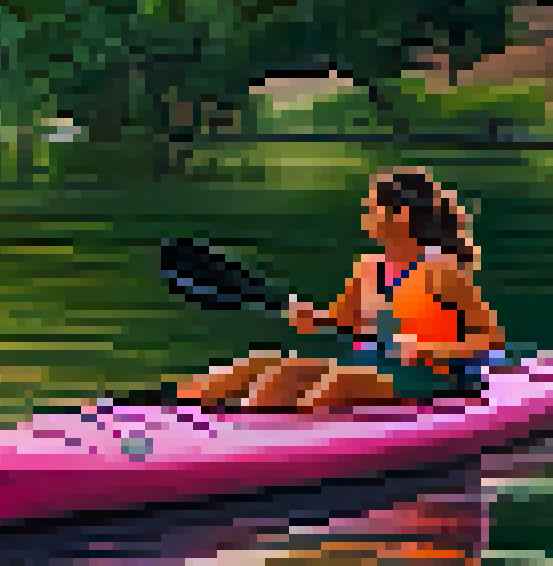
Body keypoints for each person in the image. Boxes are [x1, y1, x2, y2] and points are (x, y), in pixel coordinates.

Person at [176, 168, 506, 411]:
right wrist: (311, 319)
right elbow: (342, 325)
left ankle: (276, 444)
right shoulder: (367, 269)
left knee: (338, 381)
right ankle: (189, 420)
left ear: (401, 216)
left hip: (431, 378)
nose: (364, 215)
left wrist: (429, 349)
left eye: (371, 208)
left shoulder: (442, 271)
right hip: (371, 364)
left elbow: (491, 343)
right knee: (278, 370)